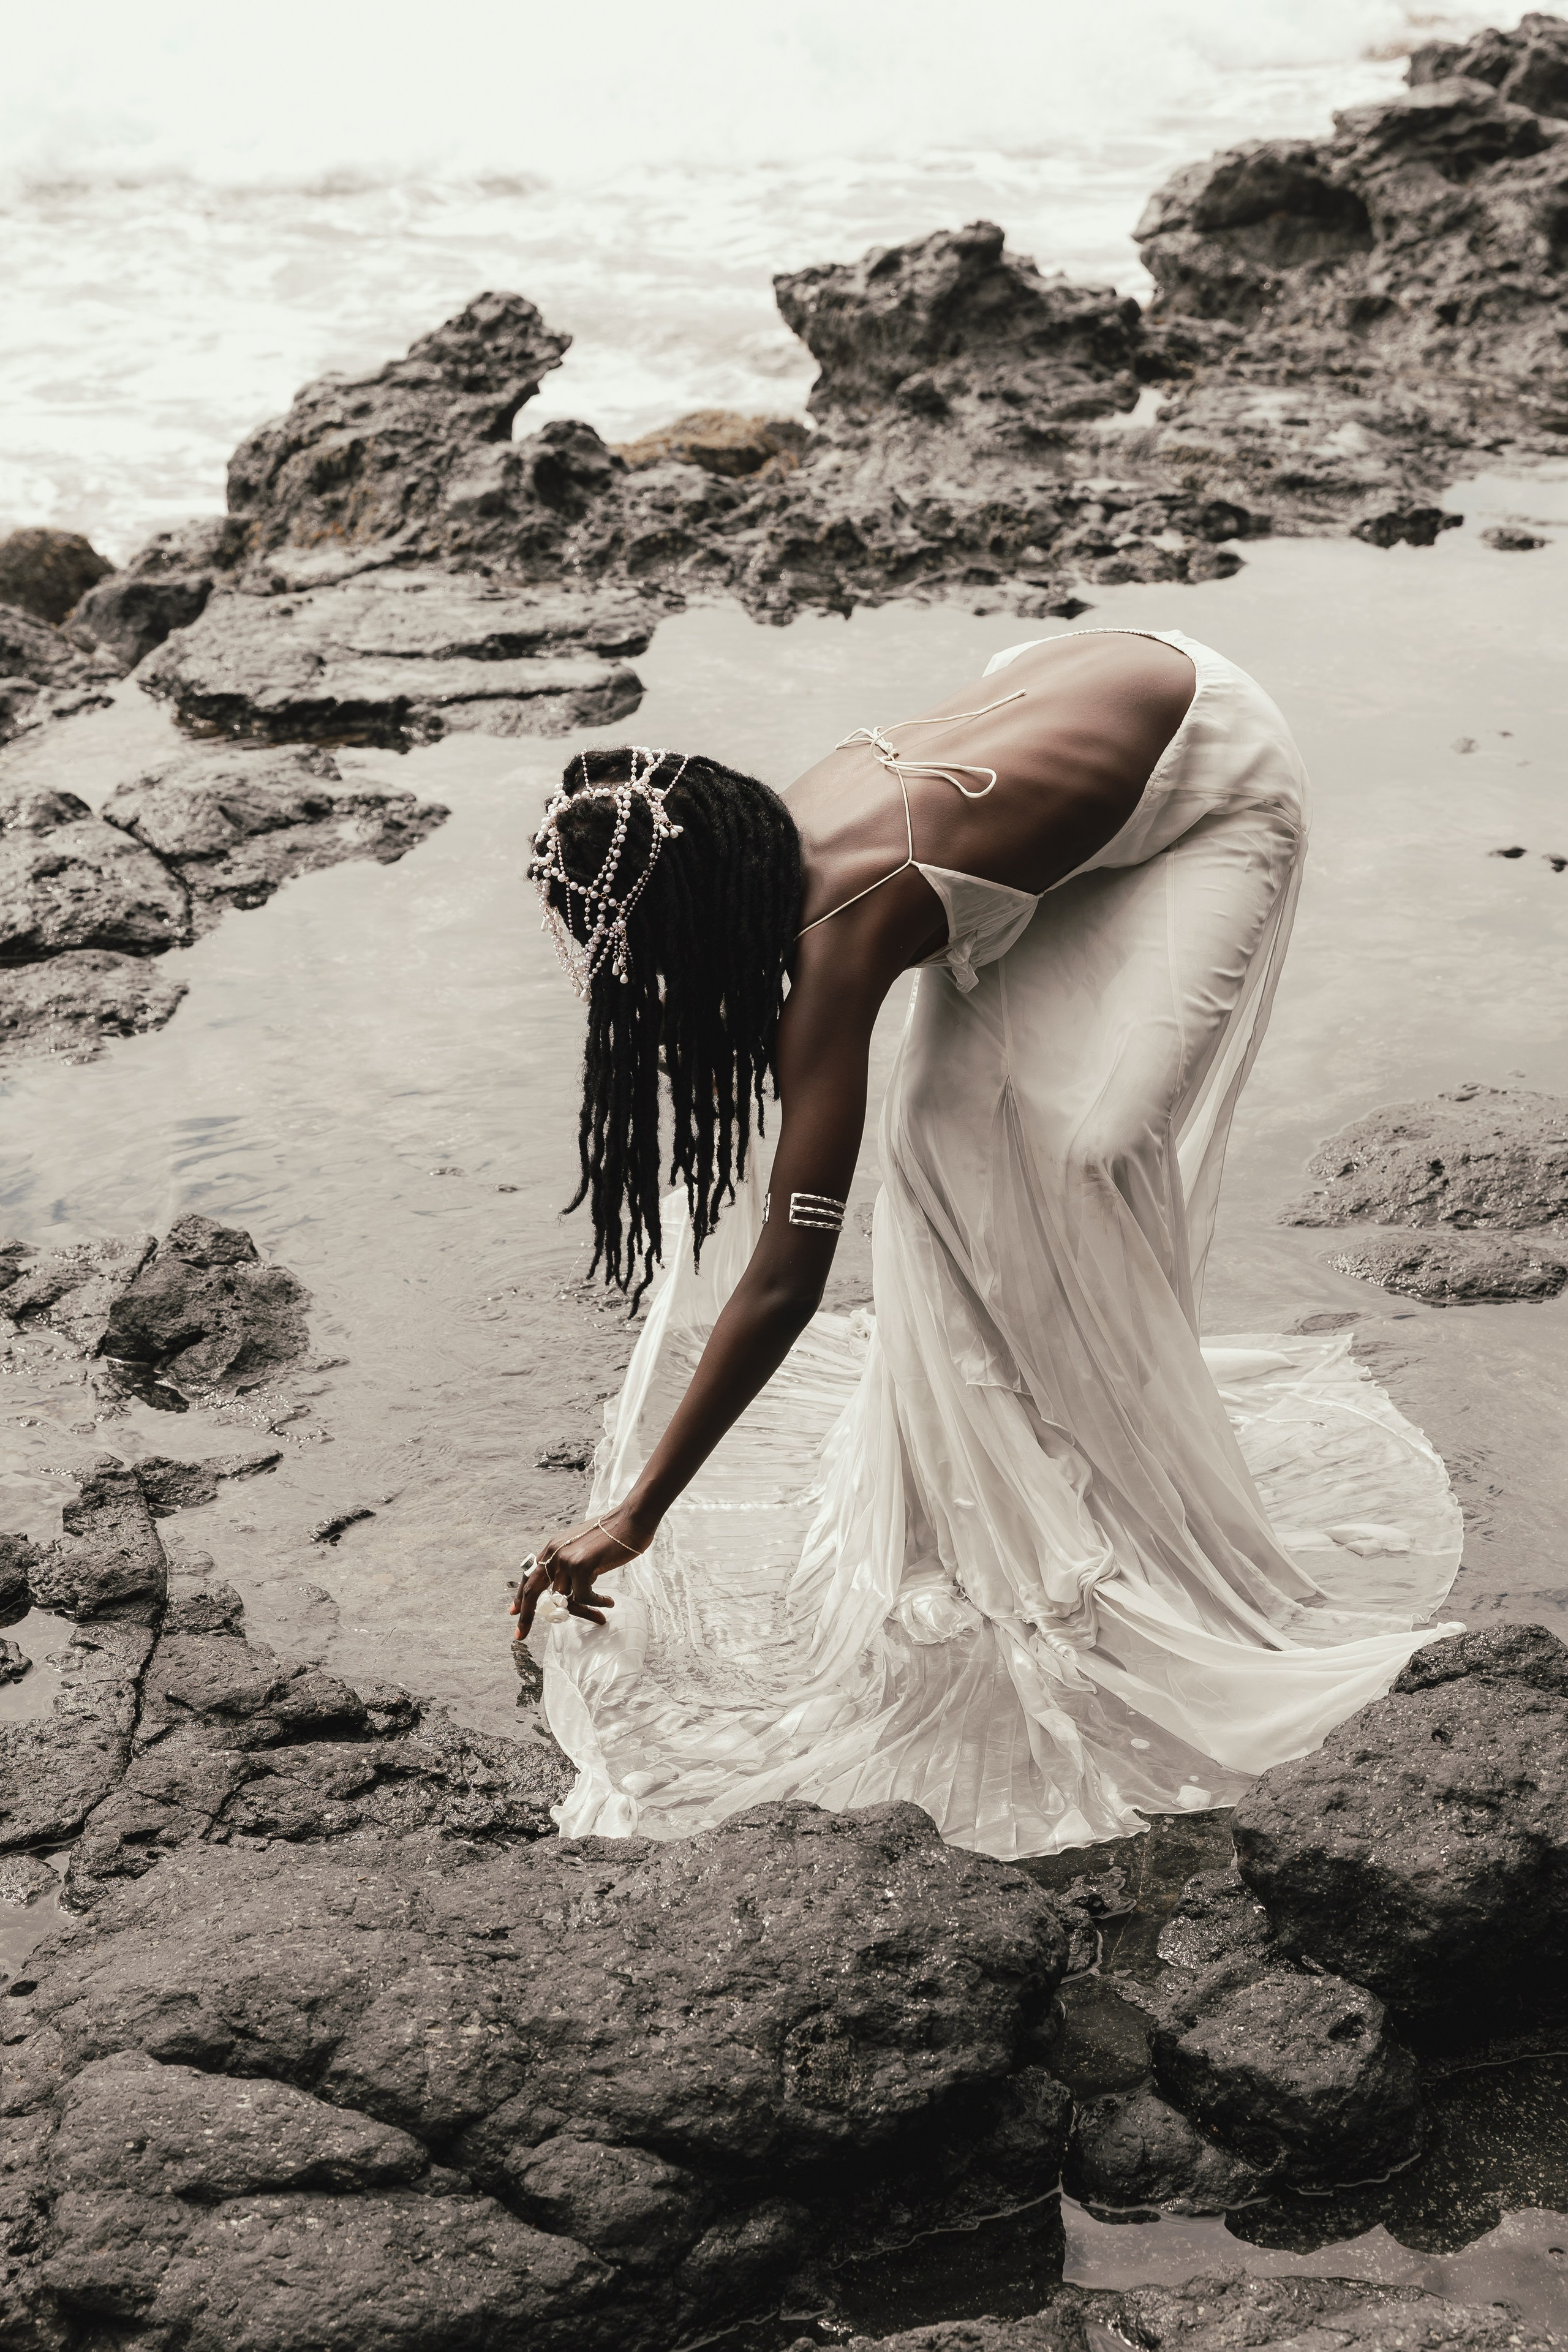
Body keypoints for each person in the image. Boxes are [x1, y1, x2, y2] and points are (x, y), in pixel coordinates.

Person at [512, 626, 1461, 1856]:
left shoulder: (840, 922)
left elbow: (788, 1275)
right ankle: (1012, 1461)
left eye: (641, 959)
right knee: (936, 1128)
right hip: (1058, 718)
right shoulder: (754, 841)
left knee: (1077, 1146)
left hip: (1204, 770)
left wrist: (639, 1512)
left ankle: (1119, 1482)